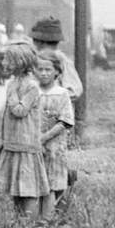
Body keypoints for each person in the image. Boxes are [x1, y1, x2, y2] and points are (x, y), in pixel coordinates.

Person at [0, 39, 49, 217]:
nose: (3, 63)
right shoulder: (13, 83)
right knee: (16, 188)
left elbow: (19, 110)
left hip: (26, 144)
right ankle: (20, 224)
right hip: (13, 142)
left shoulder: (31, 86)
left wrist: (11, 96)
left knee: (29, 188)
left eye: (7, 60)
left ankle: (30, 225)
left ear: (19, 62)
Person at [37, 56, 76, 217]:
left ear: (57, 73)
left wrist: (44, 137)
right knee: (37, 181)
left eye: (48, 70)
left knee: (52, 183)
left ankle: (49, 222)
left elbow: (65, 120)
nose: (44, 73)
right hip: (34, 144)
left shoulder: (62, 93)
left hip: (54, 145)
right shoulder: (33, 92)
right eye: (40, 69)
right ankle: (34, 219)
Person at [30, 16, 83, 103]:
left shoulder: (62, 61)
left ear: (40, 42)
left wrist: (52, 95)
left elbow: (75, 90)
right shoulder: (34, 60)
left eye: (35, 41)